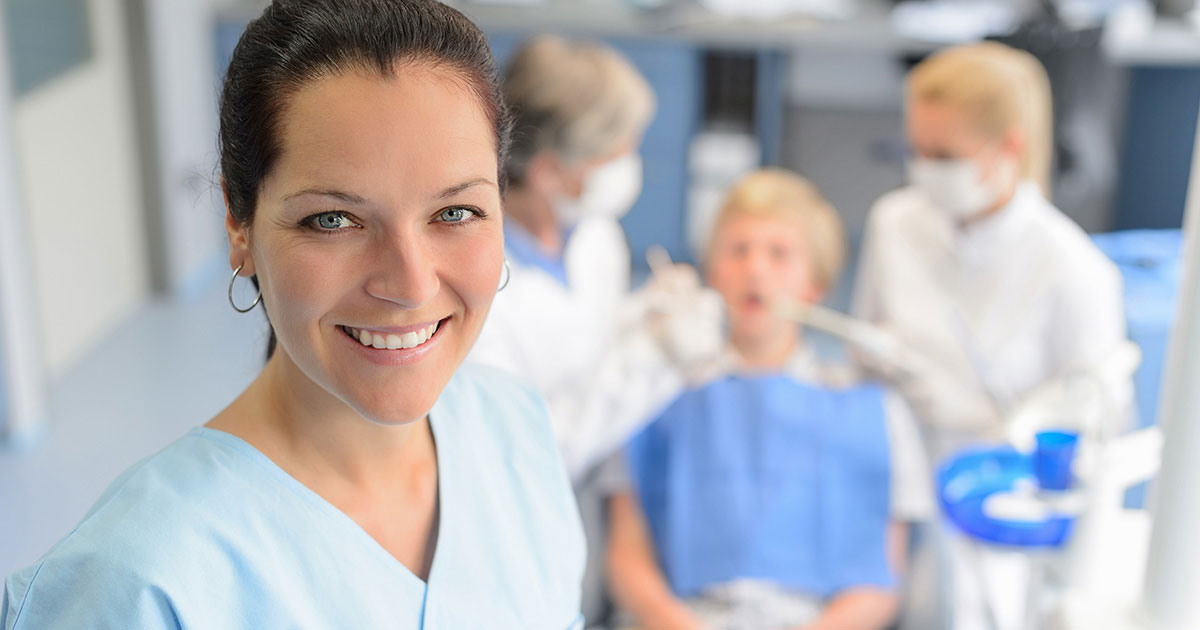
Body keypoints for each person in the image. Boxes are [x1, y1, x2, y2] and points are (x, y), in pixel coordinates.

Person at [1, 2, 584, 628]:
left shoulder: (514, 429)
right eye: (333, 220)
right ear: (239, 223)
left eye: (455, 212)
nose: (411, 286)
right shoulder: (140, 584)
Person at [851, 42, 1132, 630]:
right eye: (916, 150)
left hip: (994, 515)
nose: (924, 169)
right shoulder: (895, 222)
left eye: (945, 155)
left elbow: (1094, 435)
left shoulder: (1074, 271)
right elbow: (860, 347)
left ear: (1011, 145)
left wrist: (985, 419)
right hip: (886, 477)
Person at [602, 170, 932, 630]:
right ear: (712, 271)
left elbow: (879, 581)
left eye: (779, 254)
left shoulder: (871, 412)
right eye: (738, 250)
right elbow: (627, 558)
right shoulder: (656, 399)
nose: (755, 268)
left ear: (814, 284)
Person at [468, 35, 656, 479]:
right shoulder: (482, 289)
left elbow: (592, 341)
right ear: (548, 170)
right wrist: (652, 360)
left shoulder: (594, 230)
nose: (628, 166)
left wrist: (646, 318)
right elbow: (533, 448)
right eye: (613, 155)